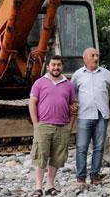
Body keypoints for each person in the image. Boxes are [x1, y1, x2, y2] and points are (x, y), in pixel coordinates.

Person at [72, 48, 110, 185]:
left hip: (102, 115)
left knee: (99, 147)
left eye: (97, 55)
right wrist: (72, 106)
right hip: (84, 115)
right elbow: (71, 93)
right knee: (82, 147)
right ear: (85, 58)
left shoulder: (105, 73)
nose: (96, 58)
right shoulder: (77, 75)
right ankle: (81, 177)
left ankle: (95, 175)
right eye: (92, 55)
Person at [28, 55, 75, 197]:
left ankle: (50, 185)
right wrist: (36, 124)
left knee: (57, 158)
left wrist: (70, 126)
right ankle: (38, 187)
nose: (56, 67)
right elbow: (32, 103)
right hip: (44, 125)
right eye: (53, 65)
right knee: (40, 157)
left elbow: (73, 106)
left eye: (59, 65)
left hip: (62, 127)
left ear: (62, 67)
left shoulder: (68, 85)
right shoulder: (39, 83)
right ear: (48, 66)